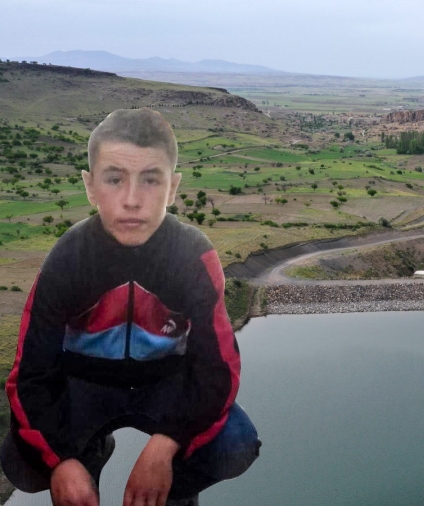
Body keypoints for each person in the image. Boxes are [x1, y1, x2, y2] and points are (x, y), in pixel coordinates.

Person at [1, 109, 260, 506]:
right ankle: (90, 453)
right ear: (90, 186)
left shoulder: (193, 256)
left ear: (173, 188)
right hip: (84, 388)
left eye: (151, 180)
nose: (132, 200)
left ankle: (168, 490)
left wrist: (167, 443)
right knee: (21, 464)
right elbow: (31, 375)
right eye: (114, 179)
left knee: (237, 444)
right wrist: (62, 460)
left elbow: (219, 370)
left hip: (165, 387)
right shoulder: (68, 258)